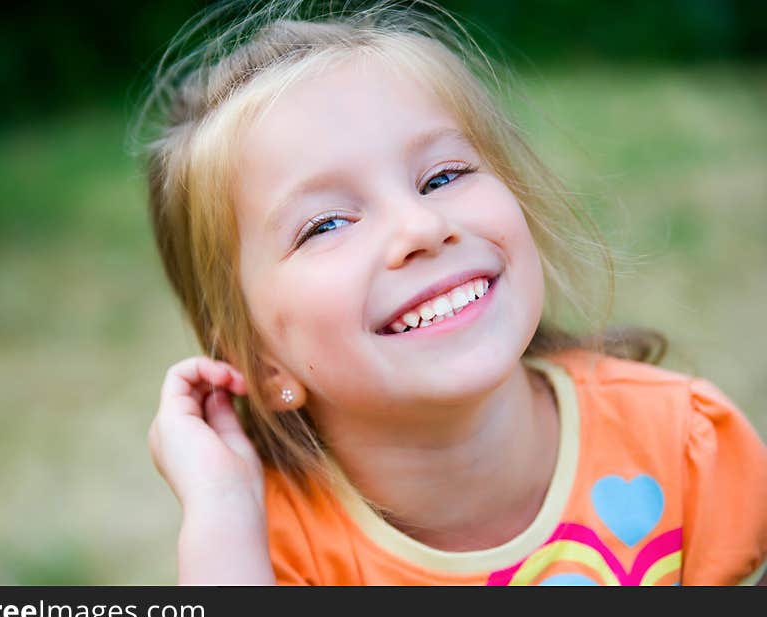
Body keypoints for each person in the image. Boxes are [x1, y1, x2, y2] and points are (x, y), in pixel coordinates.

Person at [136, 0, 767, 585]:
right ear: (260, 359)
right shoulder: (270, 555)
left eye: (443, 175)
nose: (422, 227)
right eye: (326, 224)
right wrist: (220, 507)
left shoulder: (683, 446)